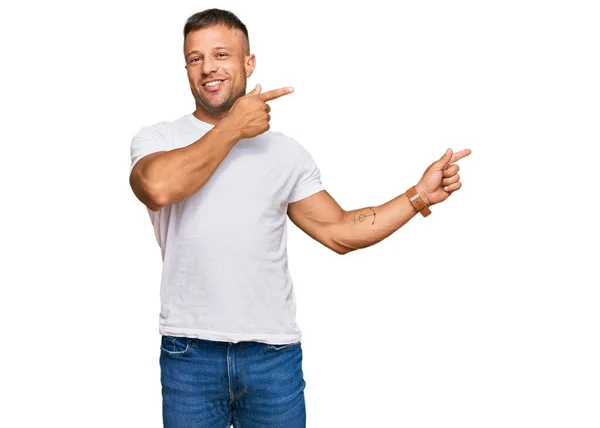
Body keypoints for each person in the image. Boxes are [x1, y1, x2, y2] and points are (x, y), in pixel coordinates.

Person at [129, 8, 471, 428]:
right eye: (195, 58)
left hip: (272, 358)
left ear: (248, 63)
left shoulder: (285, 153)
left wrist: (418, 196)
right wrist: (234, 127)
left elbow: (340, 231)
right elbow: (156, 188)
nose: (208, 68)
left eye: (221, 54)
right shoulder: (160, 138)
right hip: (190, 354)